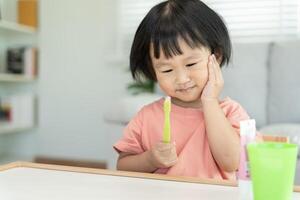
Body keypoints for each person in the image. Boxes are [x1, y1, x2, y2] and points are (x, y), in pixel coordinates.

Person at [113, 0, 250, 180]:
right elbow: (122, 167)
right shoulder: (146, 117)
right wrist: (150, 159)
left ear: (215, 57)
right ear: (153, 70)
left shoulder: (231, 112)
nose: (182, 79)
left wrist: (209, 101)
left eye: (191, 63)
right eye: (167, 70)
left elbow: (232, 162)